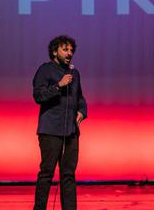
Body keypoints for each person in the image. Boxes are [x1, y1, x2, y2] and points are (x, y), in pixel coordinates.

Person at [32, 35, 88, 210]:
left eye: (71, 50)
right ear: (55, 51)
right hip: (50, 130)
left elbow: (80, 98)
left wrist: (82, 111)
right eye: (65, 49)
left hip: (71, 131)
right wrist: (58, 85)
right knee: (47, 173)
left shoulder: (74, 73)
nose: (69, 53)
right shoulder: (45, 70)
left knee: (69, 175)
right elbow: (38, 95)